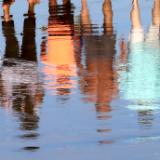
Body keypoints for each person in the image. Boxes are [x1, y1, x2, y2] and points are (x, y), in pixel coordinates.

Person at [0, 0, 44, 136]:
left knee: (30, 37)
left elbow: (39, 93)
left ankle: (31, 5)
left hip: (29, 70)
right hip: (10, 71)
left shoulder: (36, 107)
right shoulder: (10, 108)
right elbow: (1, 91)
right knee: (10, 40)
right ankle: (6, 12)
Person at [41, 0, 79, 99]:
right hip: (53, 29)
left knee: (67, 10)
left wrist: (77, 35)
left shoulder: (74, 66)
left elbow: (77, 47)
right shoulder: (50, 68)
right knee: (53, 11)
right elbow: (42, 56)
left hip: (67, 30)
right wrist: (44, 42)